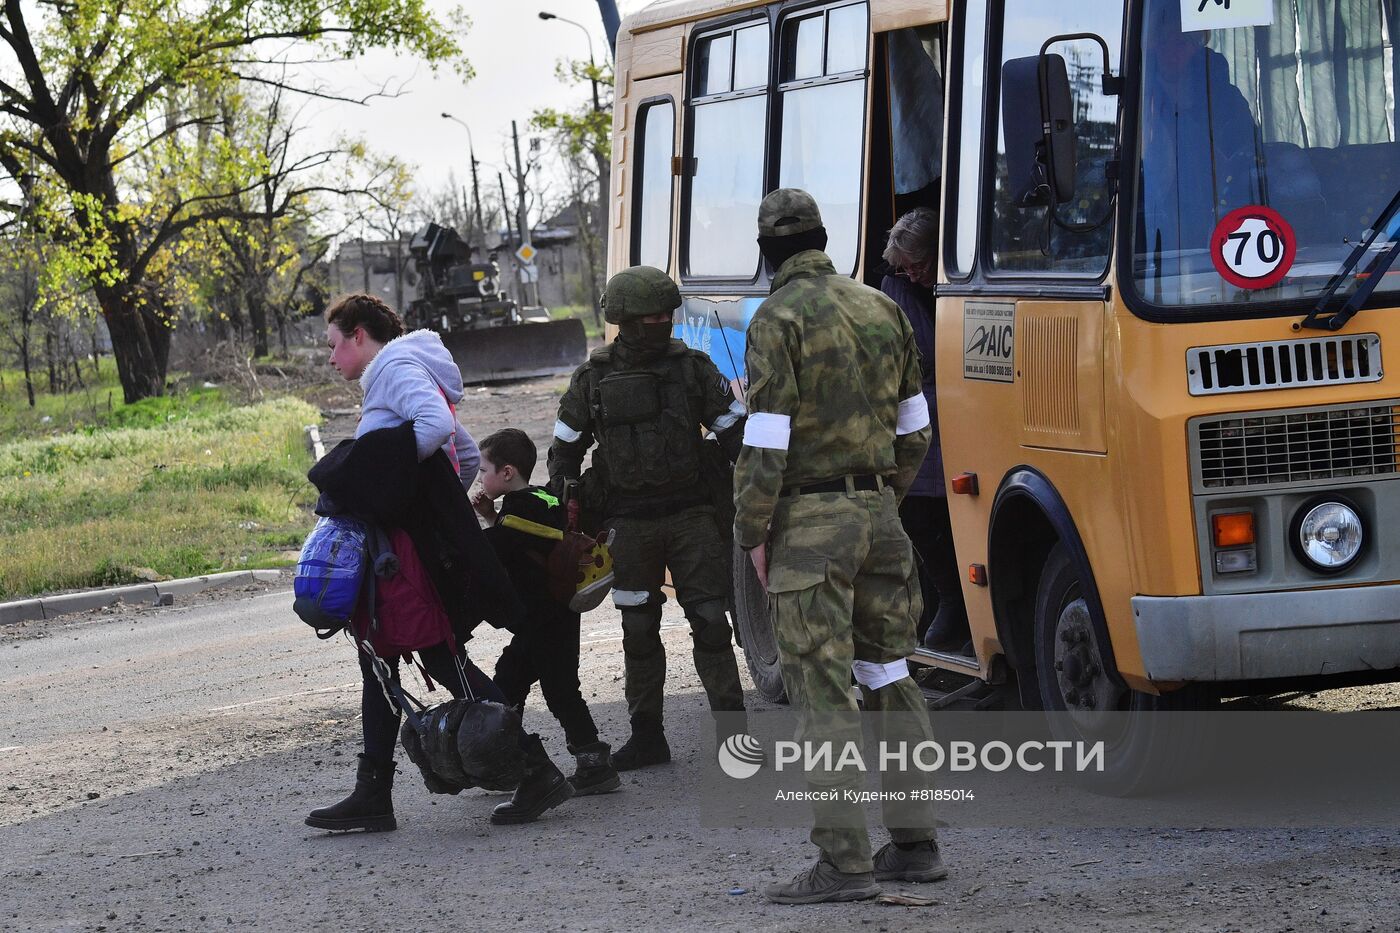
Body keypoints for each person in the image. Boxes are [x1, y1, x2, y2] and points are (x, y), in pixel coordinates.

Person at [734, 189, 946, 904]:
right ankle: (915, 844)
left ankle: (845, 863)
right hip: (880, 515)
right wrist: (882, 493)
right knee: (888, 673)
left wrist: (753, 531)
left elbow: (766, 439)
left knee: (822, 689)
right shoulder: (880, 305)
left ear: (768, 253)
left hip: (809, 527)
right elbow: (918, 423)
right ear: (825, 238)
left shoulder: (775, 317)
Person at [305, 294, 572, 832]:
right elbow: (468, 454)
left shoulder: (396, 368)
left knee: (440, 659)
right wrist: (438, 498)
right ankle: (373, 792)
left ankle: (535, 769)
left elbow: (434, 429)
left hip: (405, 553)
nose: (331, 358)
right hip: (405, 546)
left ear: (359, 335)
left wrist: (389, 488)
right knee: (379, 660)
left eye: (334, 345)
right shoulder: (399, 371)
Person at [547, 265, 748, 770]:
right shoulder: (592, 378)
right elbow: (565, 448)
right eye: (650, 316)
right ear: (624, 320)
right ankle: (647, 736)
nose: (662, 322)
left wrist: (752, 489)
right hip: (629, 524)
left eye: (667, 315)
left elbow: (736, 437)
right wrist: (568, 500)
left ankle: (735, 741)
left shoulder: (693, 368)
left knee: (710, 622)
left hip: (693, 517)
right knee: (638, 628)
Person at [472, 428, 621, 796]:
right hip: (558, 614)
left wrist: (467, 532)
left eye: (483, 471)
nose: (479, 479)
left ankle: (584, 764)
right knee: (519, 681)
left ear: (507, 473)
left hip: (541, 619)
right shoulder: (544, 498)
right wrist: (493, 517)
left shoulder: (518, 512)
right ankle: (516, 761)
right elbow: (528, 546)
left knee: (550, 691)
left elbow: (496, 549)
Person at [879, 208, 969, 654]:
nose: (914, 275)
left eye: (920, 265)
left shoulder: (960, 277)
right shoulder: (895, 289)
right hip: (921, 407)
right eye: (906, 268)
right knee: (915, 508)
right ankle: (949, 597)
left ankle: (957, 602)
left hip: (965, 405)